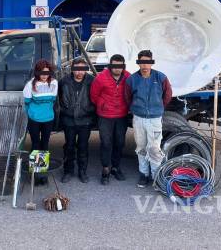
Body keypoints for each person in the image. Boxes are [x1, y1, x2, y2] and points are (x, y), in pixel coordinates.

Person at [125, 50, 172, 188]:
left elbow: (168, 95)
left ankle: (156, 176)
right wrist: (136, 109)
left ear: (151, 63)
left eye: (147, 62)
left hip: (154, 119)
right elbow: (127, 97)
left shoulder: (161, 78)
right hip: (139, 119)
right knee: (141, 147)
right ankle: (143, 174)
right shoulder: (132, 80)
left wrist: (158, 107)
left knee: (154, 148)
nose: (145, 65)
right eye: (142, 62)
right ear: (138, 63)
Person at [90, 54, 131, 185]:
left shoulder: (128, 77)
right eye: (114, 65)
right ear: (110, 65)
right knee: (106, 143)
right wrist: (103, 106)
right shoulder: (101, 78)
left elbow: (131, 93)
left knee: (119, 142)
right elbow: (94, 96)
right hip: (105, 116)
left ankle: (115, 167)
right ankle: (105, 169)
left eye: (120, 66)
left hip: (121, 115)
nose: (117, 68)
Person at [59, 57, 95, 183]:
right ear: (72, 69)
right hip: (69, 120)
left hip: (85, 120)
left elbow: (96, 97)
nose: (79, 72)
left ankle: (82, 171)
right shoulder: (64, 81)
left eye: (82, 69)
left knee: (83, 146)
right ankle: (68, 171)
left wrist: (88, 110)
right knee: (69, 146)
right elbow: (59, 99)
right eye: (77, 69)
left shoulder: (91, 80)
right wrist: (65, 111)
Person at [23, 59, 58, 154]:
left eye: (46, 72)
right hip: (34, 119)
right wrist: (30, 115)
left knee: (45, 144)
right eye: (41, 72)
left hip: (48, 119)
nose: (44, 75)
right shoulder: (30, 84)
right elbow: (26, 102)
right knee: (35, 144)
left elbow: (53, 100)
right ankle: (35, 163)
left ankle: (43, 163)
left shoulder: (54, 83)